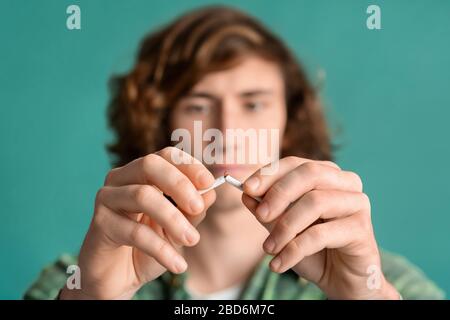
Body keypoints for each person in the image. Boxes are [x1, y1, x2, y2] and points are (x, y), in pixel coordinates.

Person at [24, 5, 444, 300]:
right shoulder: (74, 282)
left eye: (254, 103)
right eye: (197, 104)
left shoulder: (384, 281)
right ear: (158, 124)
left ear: (289, 122)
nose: (227, 131)